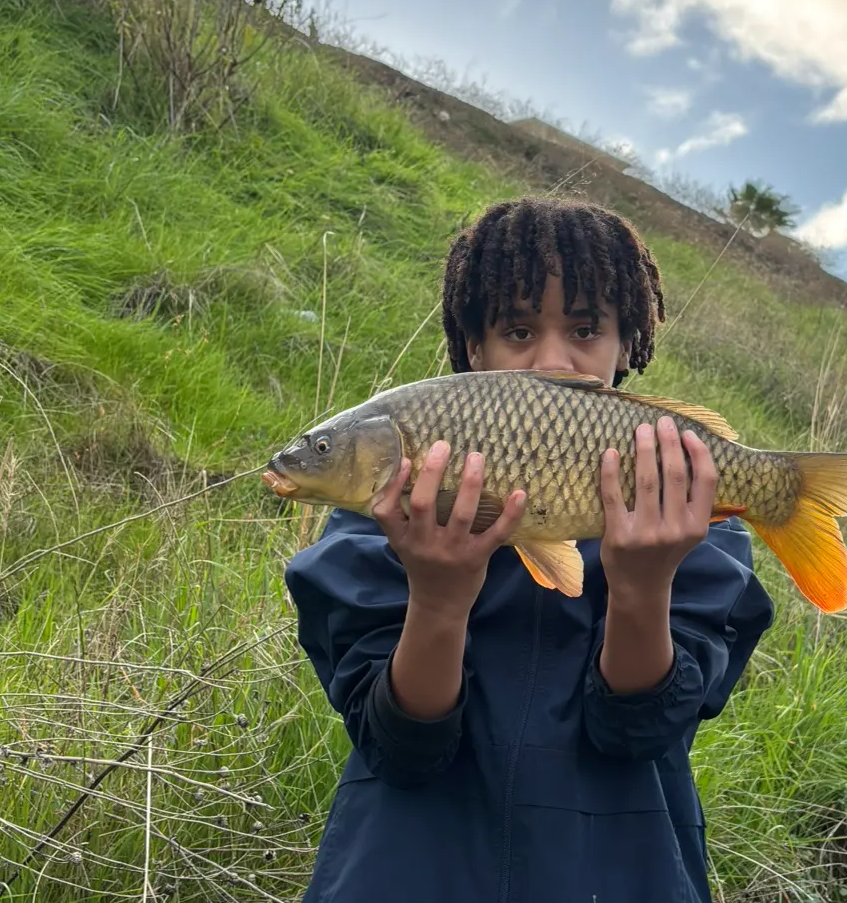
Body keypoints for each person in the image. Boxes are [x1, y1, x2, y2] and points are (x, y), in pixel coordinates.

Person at [285, 196, 775, 902]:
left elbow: (637, 737)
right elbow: (401, 750)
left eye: (585, 328)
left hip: (620, 870)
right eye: (517, 329)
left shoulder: (689, 522)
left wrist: (641, 587)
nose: (551, 357)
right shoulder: (379, 521)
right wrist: (439, 599)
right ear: (472, 348)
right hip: (407, 869)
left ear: (625, 344)